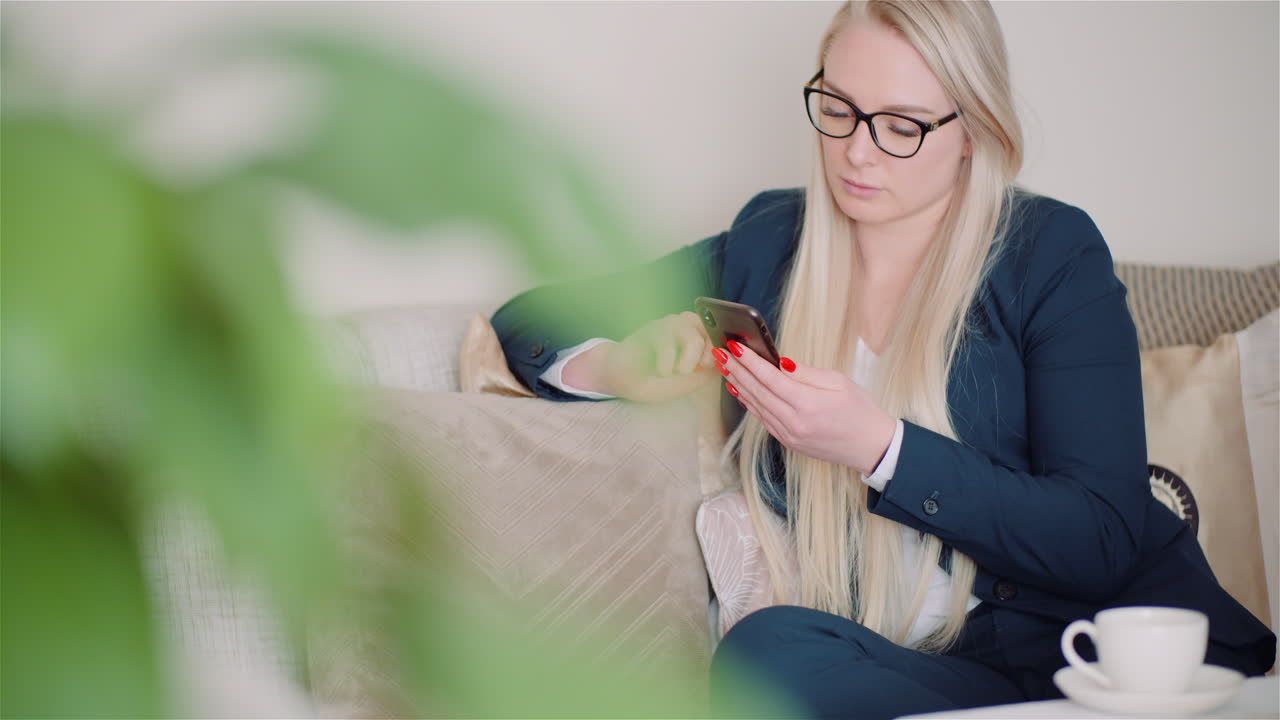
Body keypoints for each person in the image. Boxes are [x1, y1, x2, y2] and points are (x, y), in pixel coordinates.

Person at [490, 1, 1276, 717]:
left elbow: (1099, 539)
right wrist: (613, 369)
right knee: (764, 658)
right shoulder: (770, 243)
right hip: (936, 677)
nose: (858, 154)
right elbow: (531, 319)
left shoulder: (1051, 254)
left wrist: (880, 449)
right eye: (838, 109)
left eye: (901, 126)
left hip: (1093, 652)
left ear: (973, 130)